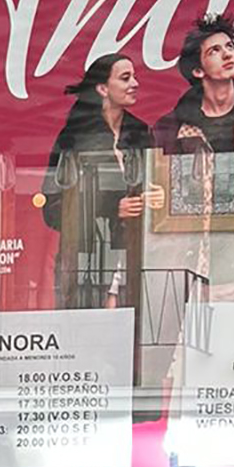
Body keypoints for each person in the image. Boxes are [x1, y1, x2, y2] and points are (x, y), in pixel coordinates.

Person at [38, 51, 163, 309]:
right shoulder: (74, 138)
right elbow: (52, 209)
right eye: (125, 78)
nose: (135, 83)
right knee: (90, 337)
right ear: (103, 88)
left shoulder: (140, 133)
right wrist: (110, 208)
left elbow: (157, 183)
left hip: (136, 253)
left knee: (135, 336)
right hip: (89, 259)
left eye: (134, 77)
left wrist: (159, 196)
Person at [151, 12, 234, 225]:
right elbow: (159, 190)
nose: (228, 55)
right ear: (198, 70)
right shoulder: (169, 128)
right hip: (187, 238)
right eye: (215, 51)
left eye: (230, 47)